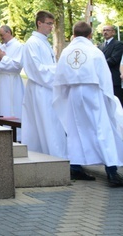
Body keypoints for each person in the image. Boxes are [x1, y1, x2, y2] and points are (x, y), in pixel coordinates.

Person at [53, 21, 123, 186]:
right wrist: (109, 98)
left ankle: (75, 166)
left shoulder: (67, 51)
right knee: (101, 129)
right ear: (90, 35)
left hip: (73, 94)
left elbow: (59, 76)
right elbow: (104, 77)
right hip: (93, 92)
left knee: (76, 129)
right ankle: (112, 172)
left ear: (74, 34)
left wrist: (64, 95)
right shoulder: (94, 51)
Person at [21, 11, 66, 158]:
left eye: (52, 24)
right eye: (49, 23)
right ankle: (51, 157)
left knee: (52, 124)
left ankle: (55, 156)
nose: (51, 27)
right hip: (40, 89)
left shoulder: (44, 42)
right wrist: (59, 70)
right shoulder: (32, 43)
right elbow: (36, 69)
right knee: (46, 125)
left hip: (48, 89)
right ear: (39, 23)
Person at [0, 25, 25, 119]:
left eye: (2, 35)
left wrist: (3, 58)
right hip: (1, 81)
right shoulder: (1, 46)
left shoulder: (18, 46)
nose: (1, 37)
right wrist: (0, 58)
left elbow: (17, 65)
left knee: (12, 106)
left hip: (12, 80)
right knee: (1, 105)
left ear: (8, 32)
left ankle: (15, 130)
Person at [99, 25, 123, 106]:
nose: (105, 32)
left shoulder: (118, 44)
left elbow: (114, 59)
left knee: (117, 103)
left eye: (108, 30)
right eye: (104, 30)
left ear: (113, 32)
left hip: (114, 78)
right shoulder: (100, 46)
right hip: (103, 79)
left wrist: (99, 64)